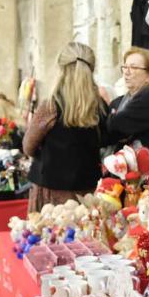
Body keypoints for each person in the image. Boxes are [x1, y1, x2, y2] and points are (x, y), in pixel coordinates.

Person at [23, 42, 107, 212]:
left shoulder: (51, 107)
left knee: (50, 236)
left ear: (61, 70)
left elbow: (28, 146)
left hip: (50, 191)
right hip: (87, 192)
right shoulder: (100, 107)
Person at [107, 47, 149, 151]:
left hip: (142, 165)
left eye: (133, 68)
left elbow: (117, 126)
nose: (126, 72)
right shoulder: (117, 102)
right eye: (125, 67)